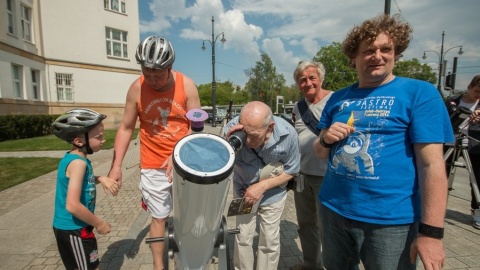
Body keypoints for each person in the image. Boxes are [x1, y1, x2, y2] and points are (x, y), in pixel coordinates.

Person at [312, 14, 454, 270]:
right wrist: (325, 138)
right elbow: (320, 153)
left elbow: (432, 166)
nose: (377, 56)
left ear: (396, 54)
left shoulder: (420, 93)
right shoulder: (338, 99)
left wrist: (431, 233)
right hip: (333, 210)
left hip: (391, 222)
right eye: (368, 51)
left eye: (386, 49)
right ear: (354, 58)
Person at [108, 35, 201, 270]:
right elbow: (126, 127)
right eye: (146, 73)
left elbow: (196, 126)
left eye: (157, 74)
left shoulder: (186, 85)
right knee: (159, 217)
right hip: (152, 163)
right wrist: (116, 165)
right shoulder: (137, 88)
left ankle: (188, 260)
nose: (152, 79)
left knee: (188, 216)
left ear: (170, 67)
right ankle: (158, 266)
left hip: (186, 160)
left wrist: (178, 152)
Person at [224, 101, 300, 270]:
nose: (248, 141)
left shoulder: (289, 134)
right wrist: (227, 143)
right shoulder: (232, 128)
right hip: (244, 192)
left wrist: (261, 187)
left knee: (269, 240)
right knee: (243, 236)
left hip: (273, 194)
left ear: (270, 127)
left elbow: (292, 170)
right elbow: (219, 162)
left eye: (254, 135)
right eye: (245, 133)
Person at [51, 108, 119, 270]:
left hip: (75, 228)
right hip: (74, 229)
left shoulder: (74, 158)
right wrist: (99, 223)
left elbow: (80, 182)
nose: (103, 140)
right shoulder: (79, 164)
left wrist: (100, 178)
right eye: (98, 136)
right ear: (79, 141)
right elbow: (72, 206)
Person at [290, 61, 332, 270]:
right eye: (302, 80)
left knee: (329, 228)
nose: (307, 83)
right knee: (306, 225)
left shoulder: (335, 99)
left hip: (328, 176)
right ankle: (311, 265)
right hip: (302, 175)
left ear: (320, 78)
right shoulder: (298, 107)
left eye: (311, 77)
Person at [445, 75, 480, 229]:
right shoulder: (452, 101)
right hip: (450, 141)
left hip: (473, 144)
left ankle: (477, 210)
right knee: (440, 173)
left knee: (477, 178)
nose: (479, 95)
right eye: (477, 91)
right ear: (469, 86)